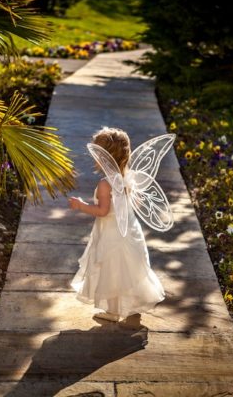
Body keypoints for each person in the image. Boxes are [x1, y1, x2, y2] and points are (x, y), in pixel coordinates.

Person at [68, 127, 166, 322]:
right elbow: (135, 203)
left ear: (106, 157)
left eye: (97, 153)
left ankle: (113, 311)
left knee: (112, 270)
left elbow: (102, 211)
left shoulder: (106, 184)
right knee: (129, 268)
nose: (94, 158)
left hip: (112, 233)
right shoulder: (128, 178)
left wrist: (80, 206)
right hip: (130, 231)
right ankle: (134, 303)